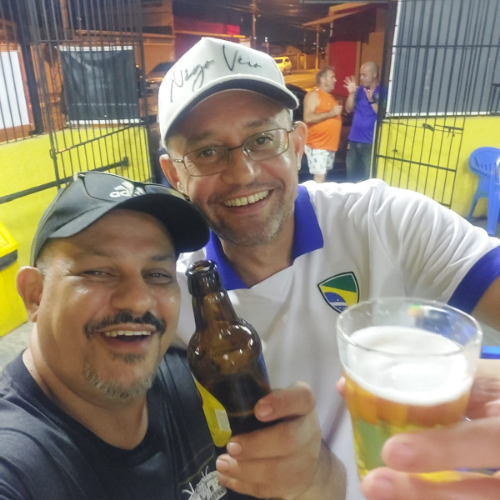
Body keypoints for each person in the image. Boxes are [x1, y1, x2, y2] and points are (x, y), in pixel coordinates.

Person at [158, 38, 500, 500]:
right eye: (206, 152)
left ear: (298, 144)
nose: (242, 173)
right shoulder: (167, 291)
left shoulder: (385, 221)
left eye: (262, 139)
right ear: (174, 175)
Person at [0, 171, 344, 500]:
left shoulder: (196, 383)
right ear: (35, 294)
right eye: (99, 272)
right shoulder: (17, 464)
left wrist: (313, 474)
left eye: (157, 274)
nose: (138, 300)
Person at [303, 67, 343, 183]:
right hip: (318, 144)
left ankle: (320, 194)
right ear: (323, 80)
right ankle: (315, 195)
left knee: (323, 175)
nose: (335, 80)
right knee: (320, 176)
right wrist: (330, 113)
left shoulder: (331, 97)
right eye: (332, 77)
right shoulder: (314, 95)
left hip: (328, 145)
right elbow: (308, 117)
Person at [344, 62, 382, 182]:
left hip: (370, 143)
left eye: (364, 75)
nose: (361, 78)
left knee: (367, 179)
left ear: (374, 74)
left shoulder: (383, 91)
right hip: (354, 140)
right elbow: (348, 109)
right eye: (360, 75)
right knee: (351, 177)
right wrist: (351, 94)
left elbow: (382, 115)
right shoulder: (359, 90)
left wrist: (371, 100)